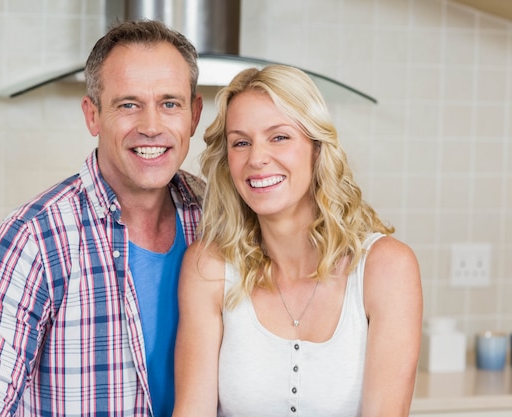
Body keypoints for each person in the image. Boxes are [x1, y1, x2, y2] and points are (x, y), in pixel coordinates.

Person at [0, 19, 204, 417]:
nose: (151, 126)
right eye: (128, 104)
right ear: (93, 115)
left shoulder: (218, 217)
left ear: (194, 115)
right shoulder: (33, 240)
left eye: (170, 103)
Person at [172, 65, 422, 417]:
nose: (257, 158)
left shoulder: (387, 269)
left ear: (317, 149)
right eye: (241, 142)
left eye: (279, 137)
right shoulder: (209, 268)